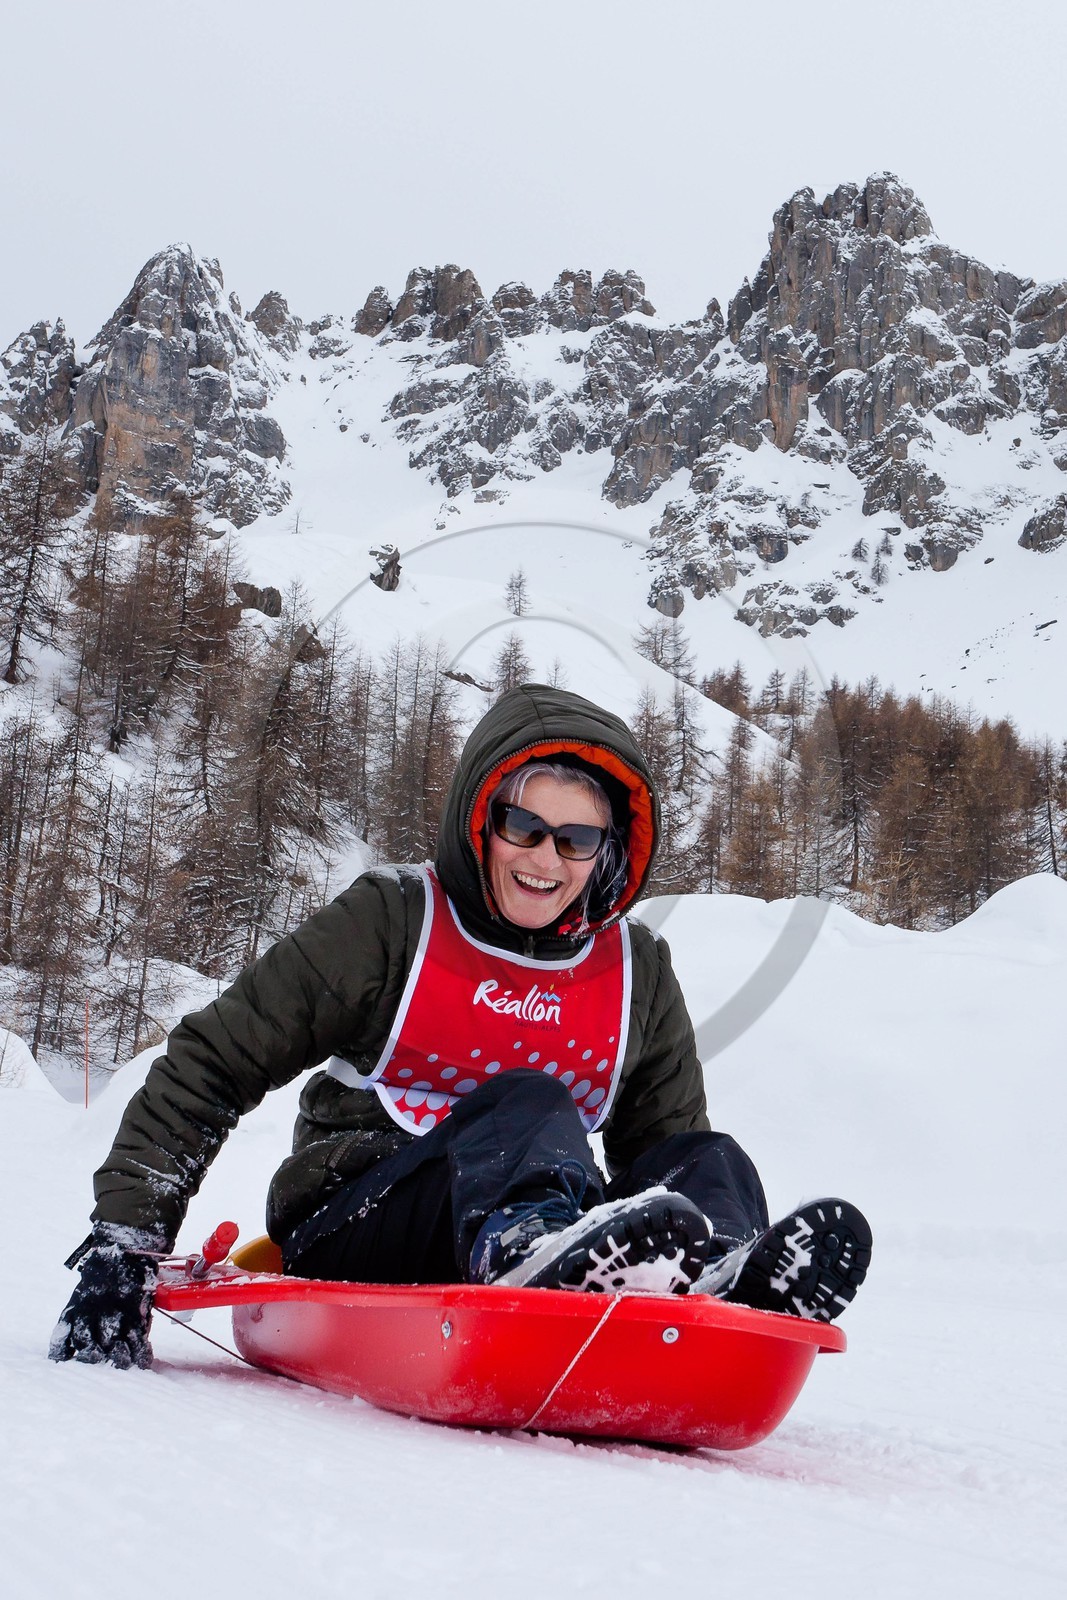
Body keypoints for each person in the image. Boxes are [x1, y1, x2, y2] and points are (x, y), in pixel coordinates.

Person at [50, 684, 872, 1369]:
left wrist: (686, 1205)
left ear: (607, 852)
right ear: (482, 820)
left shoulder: (636, 971)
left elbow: (661, 1152)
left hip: (556, 1226)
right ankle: (527, 1249)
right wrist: (127, 1242)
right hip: (364, 1217)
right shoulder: (390, 923)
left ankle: (724, 1282)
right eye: (523, 827)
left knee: (706, 1157)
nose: (544, 860)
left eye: (575, 839)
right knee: (528, 1101)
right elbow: (214, 1062)